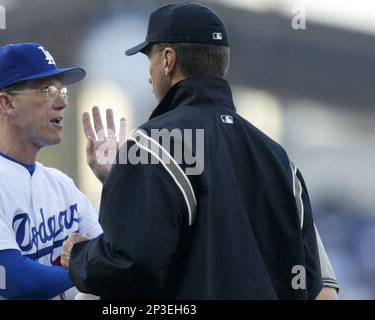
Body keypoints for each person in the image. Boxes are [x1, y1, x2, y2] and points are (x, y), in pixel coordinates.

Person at [61, 3, 339, 299]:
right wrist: (120, 181)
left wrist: (79, 255)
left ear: (168, 60)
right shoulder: (279, 159)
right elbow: (310, 280)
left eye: (150, 60)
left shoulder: (152, 145)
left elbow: (132, 267)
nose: (149, 75)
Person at [0, 43, 111, 299]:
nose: (61, 102)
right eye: (48, 91)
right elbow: (13, 280)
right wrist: (87, 268)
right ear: (7, 103)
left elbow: (114, 254)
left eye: (62, 91)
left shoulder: (61, 185)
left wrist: (112, 183)